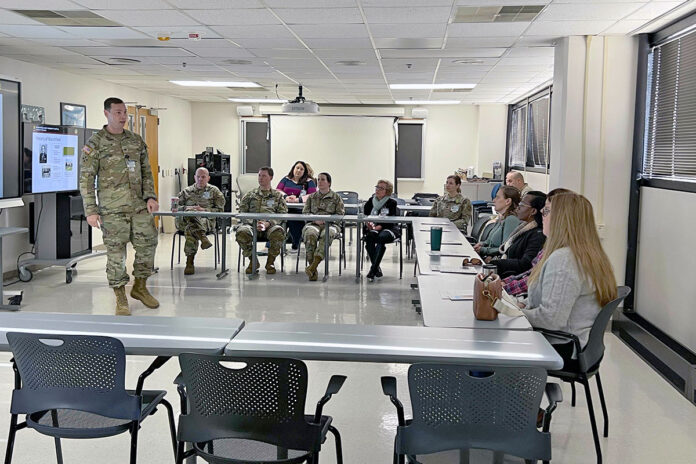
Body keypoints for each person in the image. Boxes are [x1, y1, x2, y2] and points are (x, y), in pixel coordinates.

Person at [80, 97, 159, 316]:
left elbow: (146, 172)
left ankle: (140, 287)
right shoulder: (95, 144)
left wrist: (151, 197)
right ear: (106, 113)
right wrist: (91, 210)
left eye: (124, 113)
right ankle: (120, 295)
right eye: (118, 113)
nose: (123, 117)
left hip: (139, 207)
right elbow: (86, 180)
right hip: (112, 209)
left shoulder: (135, 140)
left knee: (148, 245)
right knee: (116, 254)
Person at [519, 193, 617, 366]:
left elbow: (551, 320)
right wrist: (520, 305)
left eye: (546, 211)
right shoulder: (586, 254)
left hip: (563, 347)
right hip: (580, 346)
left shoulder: (564, 259)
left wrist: (513, 313)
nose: (542, 216)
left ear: (562, 219)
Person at [502, 188, 573, 296]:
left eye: (547, 210)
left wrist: (503, 289)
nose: (541, 212)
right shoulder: (550, 247)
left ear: (560, 217)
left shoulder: (562, 257)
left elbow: (549, 310)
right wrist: (504, 283)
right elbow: (532, 274)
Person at [235, 167, 288, 274]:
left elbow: (282, 214)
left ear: (271, 177)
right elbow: (241, 213)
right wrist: (254, 223)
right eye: (259, 175)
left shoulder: (277, 196)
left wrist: (268, 223)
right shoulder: (250, 195)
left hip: (270, 226)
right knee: (242, 232)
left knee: (278, 232)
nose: (260, 178)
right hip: (252, 225)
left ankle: (270, 262)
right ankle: (253, 260)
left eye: (264, 176)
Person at [176, 167, 226, 275]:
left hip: (206, 221)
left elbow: (220, 210)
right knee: (191, 215)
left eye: (203, 177)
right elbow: (175, 208)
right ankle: (203, 238)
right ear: (194, 177)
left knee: (190, 228)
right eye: (198, 177)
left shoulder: (215, 191)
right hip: (185, 220)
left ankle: (189, 262)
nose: (200, 179)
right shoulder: (186, 192)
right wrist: (186, 209)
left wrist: (204, 210)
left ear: (208, 178)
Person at [487, 191, 546, 277]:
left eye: (521, 205)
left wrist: (495, 263)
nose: (517, 208)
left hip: (509, 278)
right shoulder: (523, 228)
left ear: (533, 211)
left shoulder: (537, 235)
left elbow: (525, 264)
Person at [302, 172, 345, 281]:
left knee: (327, 234)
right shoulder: (312, 197)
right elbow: (305, 212)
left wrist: (327, 220)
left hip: (331, 225)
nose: (320, 182)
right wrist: (315, 219)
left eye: (323, 179)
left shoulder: (336, 197)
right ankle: (313, 270)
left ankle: (313, 267)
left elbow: (340, 215)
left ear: (329, 183)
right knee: (310, 234)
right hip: (314, 224)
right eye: (319, 179)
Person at [363, 179, 400, 281]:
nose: (378, 190)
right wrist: (369, 225)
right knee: (369, 238)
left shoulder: (392, 203)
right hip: (372, 228)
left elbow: (390, 221)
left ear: (387, 191)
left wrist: (377, 227)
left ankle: (373, 269)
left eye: (381, 188)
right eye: (377, 187)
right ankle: (376, 268)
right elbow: (365, 215)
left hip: (389, 229)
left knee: (381, 237)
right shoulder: (371, 201)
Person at [276, 161, 317, 250]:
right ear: (293, 168)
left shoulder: (309, 182)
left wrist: (298, 200)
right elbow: (278, 190)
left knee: (292, 217)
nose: (298, 170)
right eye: (297, 168)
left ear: (304, 172)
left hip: (300, 209)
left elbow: (313, 195)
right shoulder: (286, 179)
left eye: (301, 169)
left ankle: (295, 242)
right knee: (279, 218)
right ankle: (271, 245)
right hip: (284, 207)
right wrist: (286, 197)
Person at [474, 186, 521, 258]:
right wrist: (482, 244)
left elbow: (505, 248)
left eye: (497, 197)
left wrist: (484, 250)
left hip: (496, 263)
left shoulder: (511, 220)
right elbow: (489, 241)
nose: (494, 200)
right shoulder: (501, 218)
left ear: (508, 201)